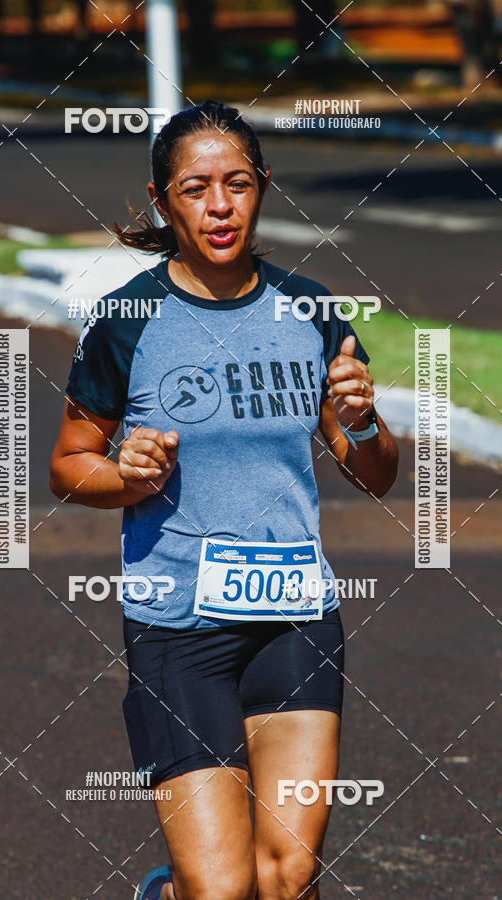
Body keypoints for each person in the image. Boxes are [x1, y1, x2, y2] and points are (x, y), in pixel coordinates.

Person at [49, 99, 398, 900]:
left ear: (263, 188)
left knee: (288, 875)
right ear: (163, 200)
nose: (219, 206)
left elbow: (376, 473)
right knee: (219, 889)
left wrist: (363, 418)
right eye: (197, 188)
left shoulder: (309, 311)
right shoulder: (128, 322)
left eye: (237, 184)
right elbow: (70, 465)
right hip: (177, 625)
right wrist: (126, 475)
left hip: (294, 616)